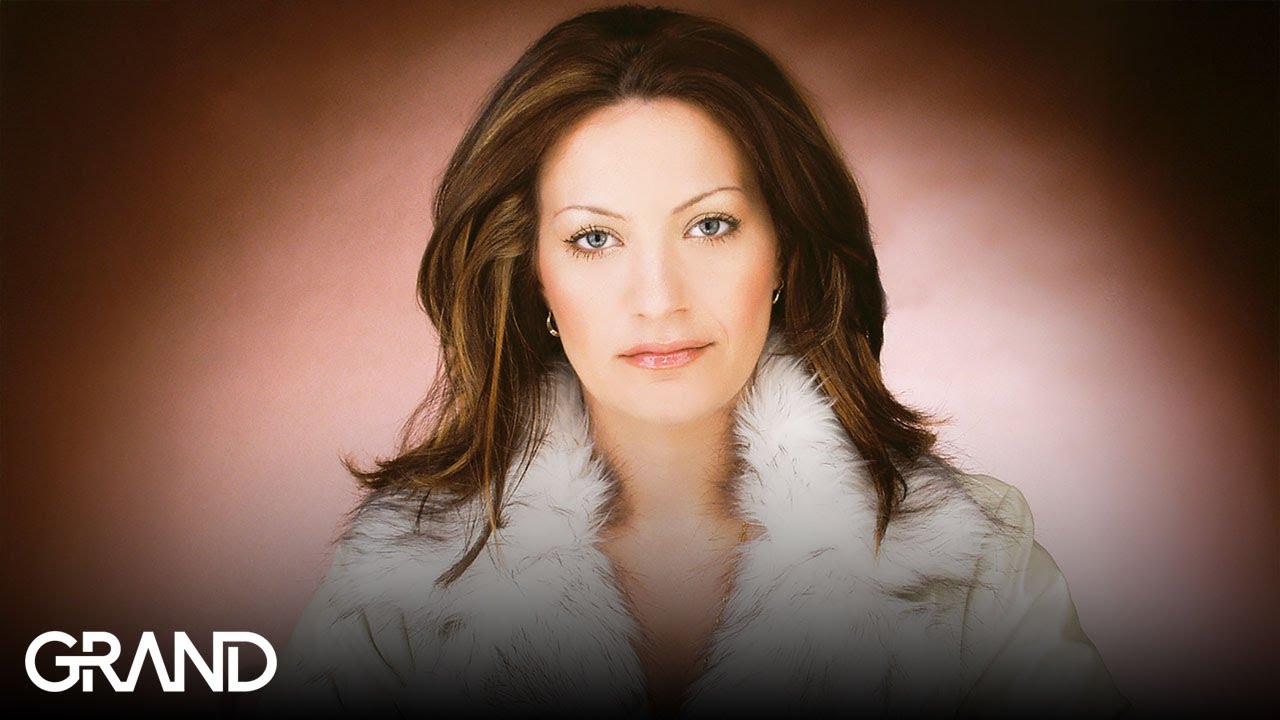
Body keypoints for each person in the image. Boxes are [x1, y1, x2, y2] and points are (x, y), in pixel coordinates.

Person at [262, 5, 1129, 717]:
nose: (658, 298)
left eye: (710, 225)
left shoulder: (970, 558)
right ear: (532, 277)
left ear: (784, 249)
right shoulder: (404, 577)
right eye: (594, 238)